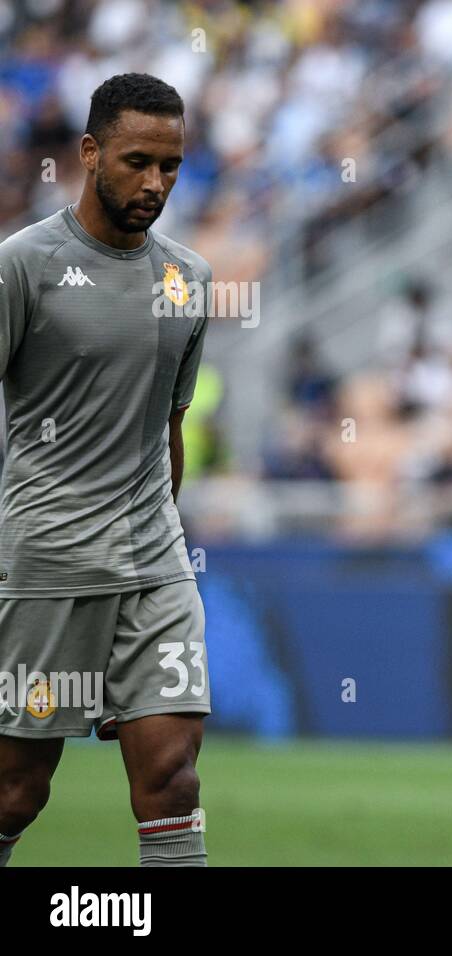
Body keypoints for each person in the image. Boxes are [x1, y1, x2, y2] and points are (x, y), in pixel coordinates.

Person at [0, 73, 212, 866]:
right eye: (136, 162)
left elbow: (170, 426)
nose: (155, 183)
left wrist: (165, 531)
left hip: (154, 565)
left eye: (171, 166)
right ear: (89, 154)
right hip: (48, 566)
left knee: (172, 778)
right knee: (17, 787)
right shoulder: (24, 265)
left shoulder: (188, 278)